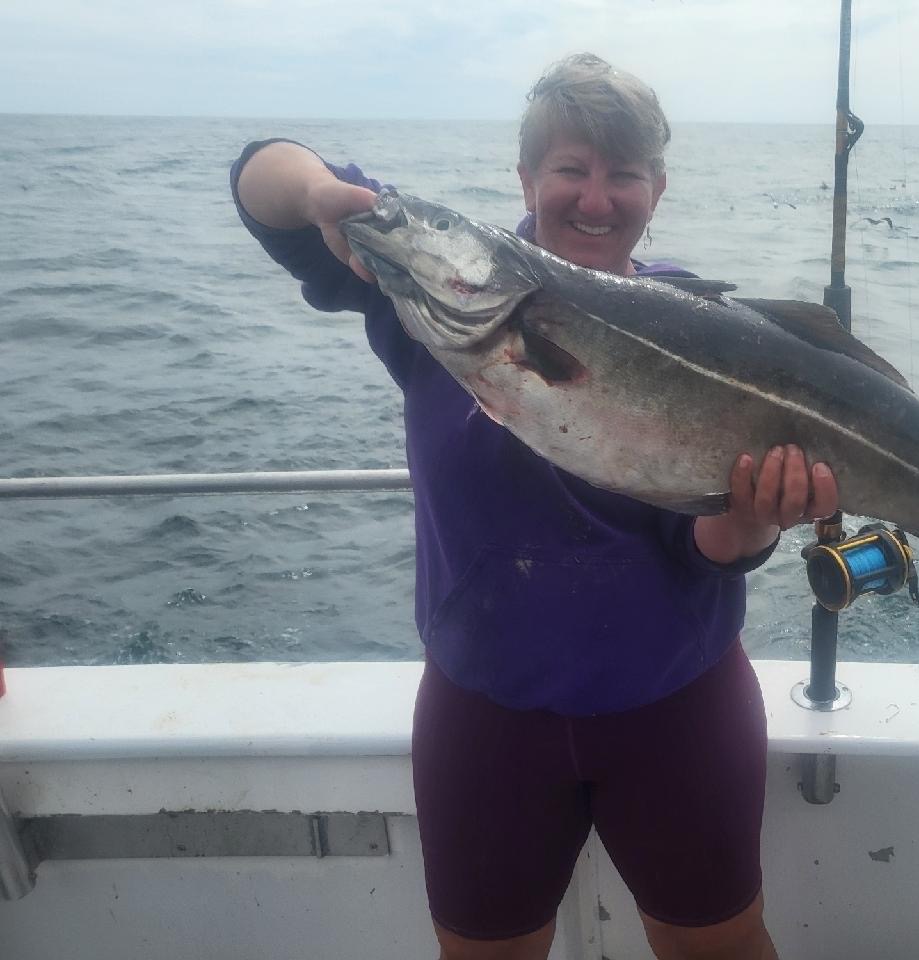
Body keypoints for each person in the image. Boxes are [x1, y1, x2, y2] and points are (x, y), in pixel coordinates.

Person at [231, 53, 837, 960]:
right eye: (571, 169)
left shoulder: (696, 327)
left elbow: (708, 548)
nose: (597, 199)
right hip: (487, 714)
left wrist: (754, 521)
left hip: (677, 705)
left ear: (657, 189)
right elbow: (258, 175)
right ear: (526, 177)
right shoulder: (435, 279)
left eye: (623, 174)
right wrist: (319, 191)